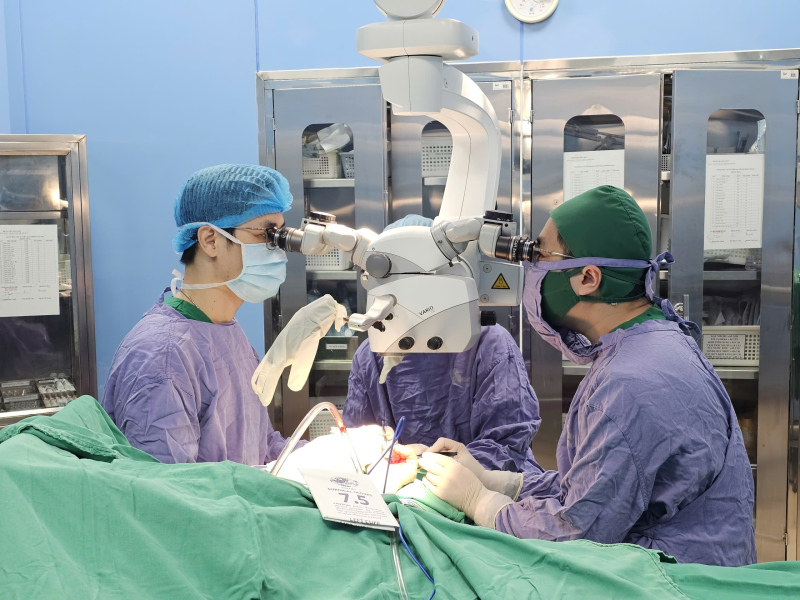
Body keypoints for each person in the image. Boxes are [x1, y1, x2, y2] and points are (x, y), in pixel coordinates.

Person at [419, 185, 756, 567]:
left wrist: (480, 502)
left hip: (670, 582)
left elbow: (576, 532)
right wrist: (498, 482)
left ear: (588, 278)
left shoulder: (628, 385)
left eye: (538, 255)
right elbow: (597, 487)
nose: (530, 269)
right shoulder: (652, 343)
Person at [102, 164, 343, 465]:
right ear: (210, 240)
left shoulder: (225, 333)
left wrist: (330, 458)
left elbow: (259, 447)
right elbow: (169, 487)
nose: (279, 250)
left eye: (280, 235)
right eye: (268, 234)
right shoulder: (163, 356)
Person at [343, 216, 543, 489]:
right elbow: (356, 440)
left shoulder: (489, 345)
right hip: (401, 489)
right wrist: (380, 454)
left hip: (486, 488)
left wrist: (429, 467)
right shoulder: (373, 351)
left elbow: (507, 444)